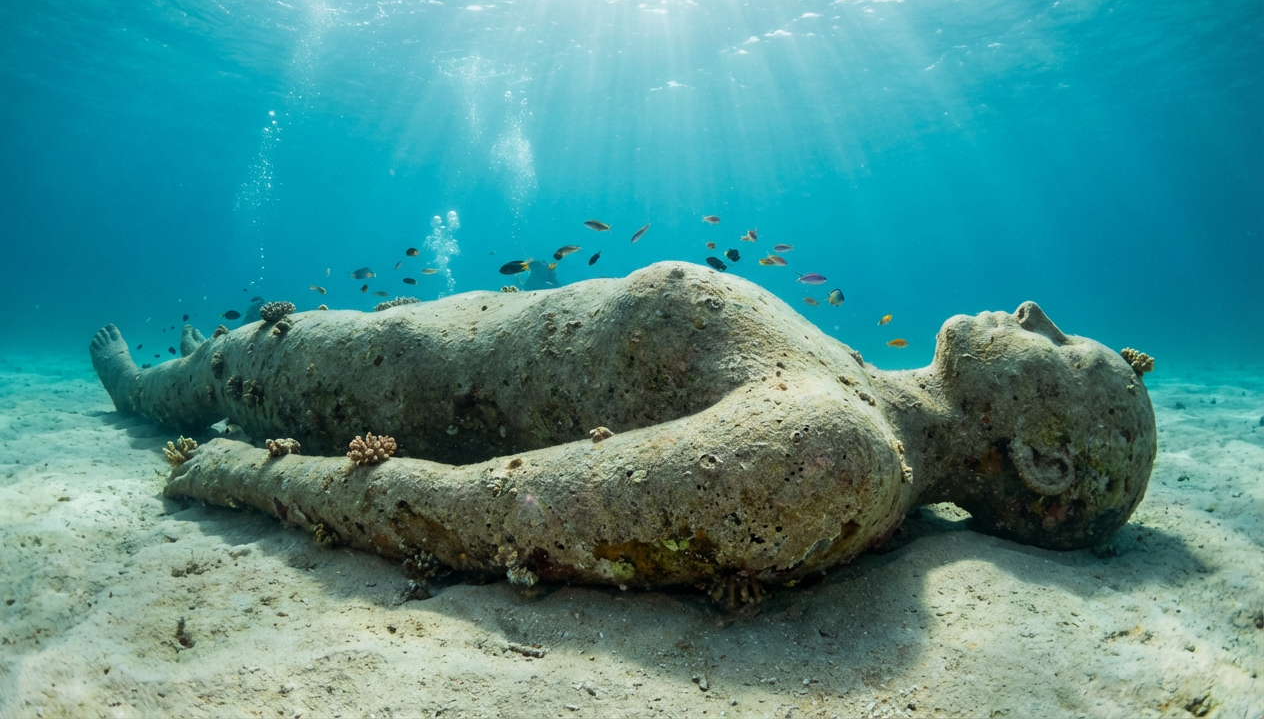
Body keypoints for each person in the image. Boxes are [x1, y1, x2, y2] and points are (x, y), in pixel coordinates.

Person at [91, 262, 1156, 592]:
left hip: (373, 377)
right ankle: (151, 378)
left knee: (220, 370)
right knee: (225, 358)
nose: (1035, 316)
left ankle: (142, 385)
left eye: (1066, 346)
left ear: (1043, 458)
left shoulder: (829, 449)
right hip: (405, 340)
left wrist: (251, 476)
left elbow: (487, 512)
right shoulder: (855, 394)